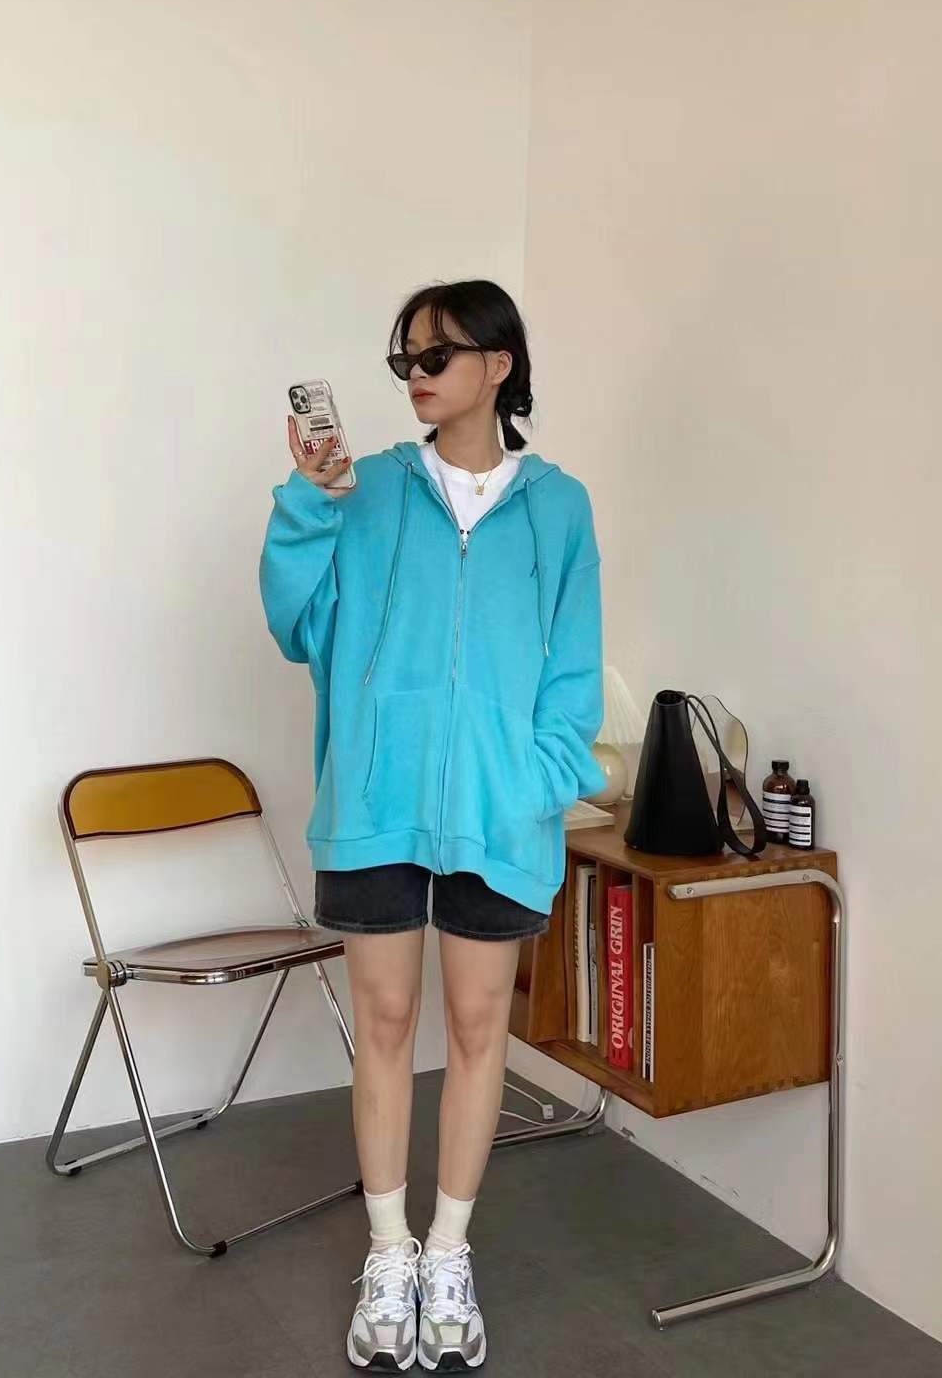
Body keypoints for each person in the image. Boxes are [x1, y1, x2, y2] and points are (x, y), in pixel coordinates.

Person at [260, 278, 605, 1371]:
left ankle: (449, 1252)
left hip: (500, 817)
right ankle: (389, 1252)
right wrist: (309, 500)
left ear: (497, 365)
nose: (414, 375)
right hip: (379, 804)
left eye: (436, 355)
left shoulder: (559, 506)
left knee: (476, 1027)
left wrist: (535, 780)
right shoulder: (365, 493)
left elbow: (574, 669)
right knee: (386, 1020)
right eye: (403, 358)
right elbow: (296, 627)